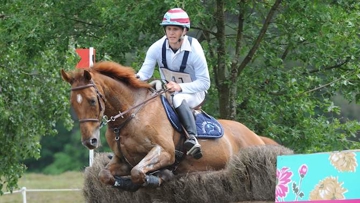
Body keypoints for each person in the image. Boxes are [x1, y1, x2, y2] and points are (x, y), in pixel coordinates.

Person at [136, 8, 210, 159]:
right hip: (169, 92)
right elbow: (144, 74)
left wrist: (180, 87)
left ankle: (192, 138)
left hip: (194, 92)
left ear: (184, 31)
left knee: (178, 98)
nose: (171, 33)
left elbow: (205, 82)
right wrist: (127, 80)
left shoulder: (194, 49)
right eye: (168, 29)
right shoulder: (156, 48)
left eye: (175, 29)